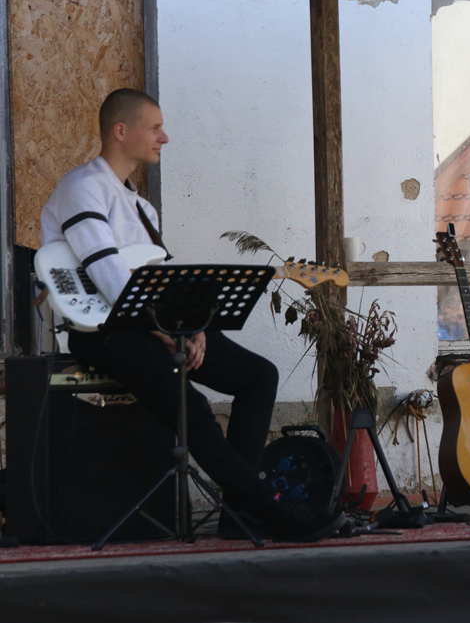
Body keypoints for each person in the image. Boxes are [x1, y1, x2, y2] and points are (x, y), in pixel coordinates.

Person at [40, 88, 346, 542]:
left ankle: (237, 516)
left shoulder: (142, 208)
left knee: (258, 376)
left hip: (151, 325)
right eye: (155, 127)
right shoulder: (82, 187)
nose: (164, 137)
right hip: (104, 330)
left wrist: (193, 326)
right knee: (194, 408)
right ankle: (267, 509)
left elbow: (159, 282)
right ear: (121, 131)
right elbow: (107, 272)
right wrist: (166, 330)